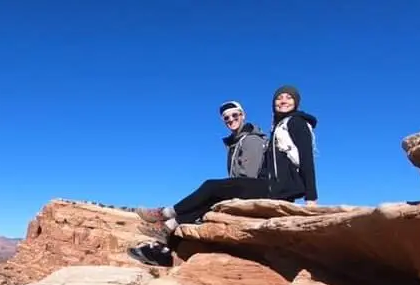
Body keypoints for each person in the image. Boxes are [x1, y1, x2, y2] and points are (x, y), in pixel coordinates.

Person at [130, 84, 319, 247]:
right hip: (272, 186)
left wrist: (311, 199)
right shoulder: (278, 127)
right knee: (212, 198)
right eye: (279, 97)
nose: (283, 100)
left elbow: (307, 158)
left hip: (278, 189)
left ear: (296, 102)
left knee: (211, 186)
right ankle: (167, 228)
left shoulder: (296, 122)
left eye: (289, 97)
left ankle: (164, 213)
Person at [219, 101, 267, 179]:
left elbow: (249, 178)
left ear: (243, 116)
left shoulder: (251, 139)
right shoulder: (233, 145)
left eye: (235, 115)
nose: (231, 119)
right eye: (226, 118)